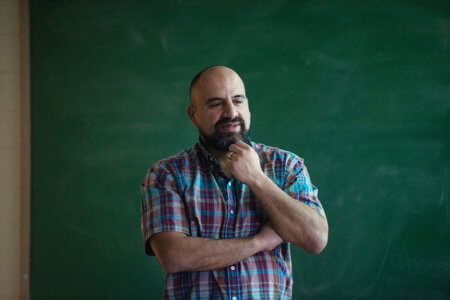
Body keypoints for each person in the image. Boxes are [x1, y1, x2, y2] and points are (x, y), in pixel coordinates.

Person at [141, 66, 328, 299]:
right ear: (193, 115)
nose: (231, 113)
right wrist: (259, 242)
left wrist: (257, 179)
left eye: (238, 101)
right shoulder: (167, 174)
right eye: (216, 104)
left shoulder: (286, 166)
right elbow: (173, 256)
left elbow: (316, 239)